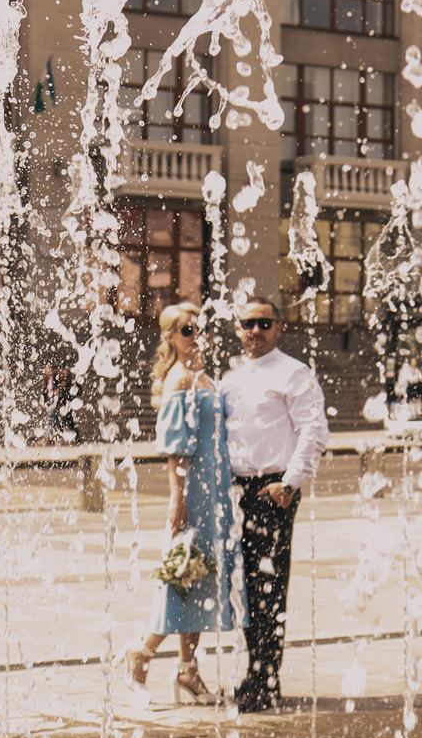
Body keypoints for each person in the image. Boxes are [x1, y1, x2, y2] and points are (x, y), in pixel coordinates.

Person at [218, 292, 328, 713]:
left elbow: (314, 431)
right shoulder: (231, 378)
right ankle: (255, 673)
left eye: (264, 323)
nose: (256, 331)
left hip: (273, 491)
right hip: (239, 491)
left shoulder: (293, 373)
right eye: (248, 324)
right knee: (245, 587)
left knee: (268, 585)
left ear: (279, 328)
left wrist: (289, 483)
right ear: (237, 329)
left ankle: (265, 679)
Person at [125, 303, 234, 705]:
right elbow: (175, 448)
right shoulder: (180, 379)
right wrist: (177, 498)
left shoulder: (203, 376)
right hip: (194, 493)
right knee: (182, 576)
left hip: (215, 489)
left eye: (200, 328)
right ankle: (142, 652)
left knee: (200, 578)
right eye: (187, 330)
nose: (196, 335)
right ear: (171, 336)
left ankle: (188, 670)